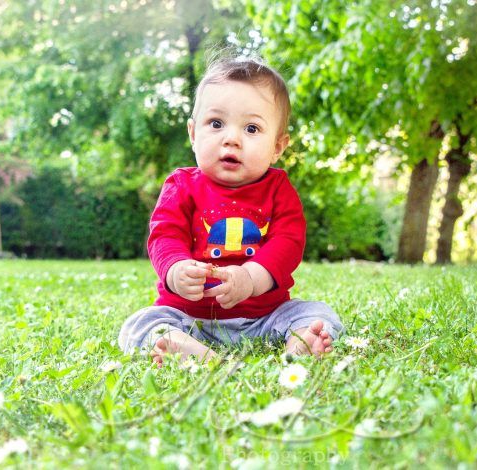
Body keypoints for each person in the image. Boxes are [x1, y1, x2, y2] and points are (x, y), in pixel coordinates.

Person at [118, 56, 343, 366]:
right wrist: (176, 269)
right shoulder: (181, 185)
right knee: (141, 324)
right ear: (194, 133)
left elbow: (288, 242)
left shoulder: (279, 188)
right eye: (216, 124)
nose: (232, 139)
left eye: (251, 128)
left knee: (318, 313)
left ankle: (300, 341)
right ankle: (187, 348)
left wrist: (250, 278)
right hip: (189, 317)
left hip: (265, 317)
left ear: (278, 146)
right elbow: (165, 235)